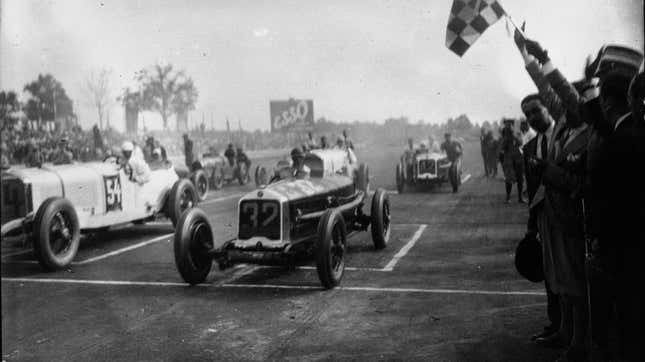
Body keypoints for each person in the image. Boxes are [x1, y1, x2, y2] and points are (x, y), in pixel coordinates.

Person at [523, 35, 593, 362]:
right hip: (553, 214)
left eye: (576, 100)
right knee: (561, 278)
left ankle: (578, 343)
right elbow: (549, 89)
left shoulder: (588, 133)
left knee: (576, 284)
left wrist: (545, 56)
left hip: (573, 218)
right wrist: (526, 56)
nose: (567, 103)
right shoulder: (567, 124)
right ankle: (565, 331)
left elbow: (561, 91)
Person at [521, 93, 561, 343]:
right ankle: (556, 323)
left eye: (536, 111)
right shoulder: (529, 148)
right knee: (550, 272)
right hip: (545, 218)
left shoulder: (563, 136)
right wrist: (531, 226)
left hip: (569, 215)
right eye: (528, 114)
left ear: (548, 108)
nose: (533, 118)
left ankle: (573, 327)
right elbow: (533, 191)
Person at [498, 120, 525, 203]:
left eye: (510, 126)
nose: (509, 128)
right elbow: (502, 149)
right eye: (507, 127)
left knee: (519, 179)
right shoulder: (505, 138)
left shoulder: (515, 136)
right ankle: (509, 198)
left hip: (517, 160)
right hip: (510, 160)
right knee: (510, 179)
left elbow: (520, 143)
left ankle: (518, 198)